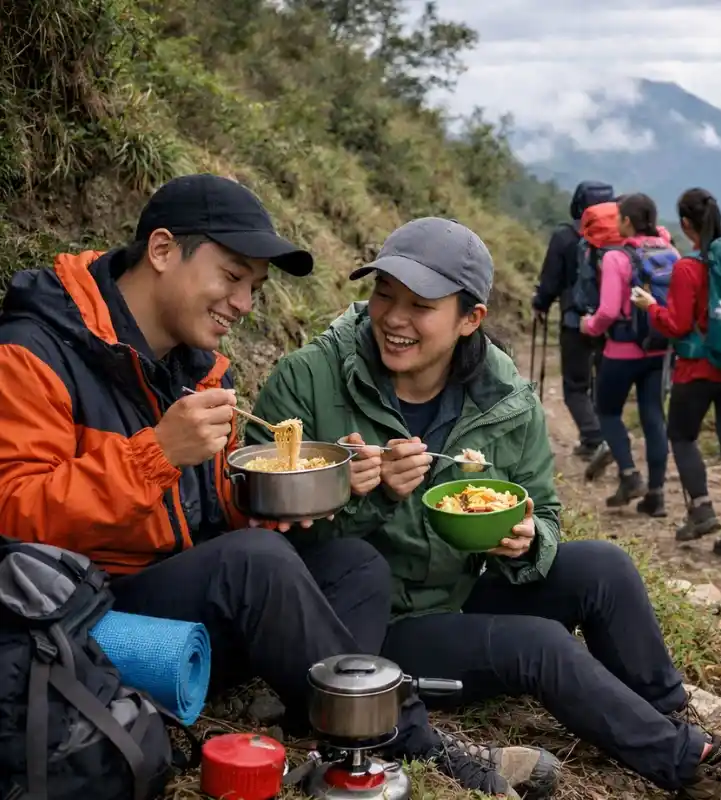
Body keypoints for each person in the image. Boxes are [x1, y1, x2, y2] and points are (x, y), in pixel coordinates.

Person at [0, 174, 546, 799]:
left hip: (182, 610)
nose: (243, 303)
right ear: (161, 250)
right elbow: (13, 517)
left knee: (354, 565)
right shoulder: (34, 353)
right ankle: (397, 737)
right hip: (79, 620)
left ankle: (318, 711)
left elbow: (211, 518)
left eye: (254, 288)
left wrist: (297, 489)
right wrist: (156, 456)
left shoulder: (194, 367)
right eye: (232, 277)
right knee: (255, 563)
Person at [249, 216, 721, 800]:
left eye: (420, 305)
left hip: (459, 591)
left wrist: (527, 540)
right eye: (383, 294)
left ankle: (669, 718)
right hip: (364, 628)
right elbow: (268, 544)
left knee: (604, 567)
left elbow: (541, 509)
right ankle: (689, 767)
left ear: (470, 320)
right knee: (541, 645)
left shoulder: (505, 399)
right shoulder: (310, 380)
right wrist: (361, 495)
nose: (394, 318)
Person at [631, 188, 721, 562]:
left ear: (685, 224)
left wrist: (651, 306)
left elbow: (677, 324)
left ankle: (701, 509)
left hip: (696, 370)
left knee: (682, 436)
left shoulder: (688, 268)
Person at [581, 194, 674, 513]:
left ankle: (630, 474)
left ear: (628, 222)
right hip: (659, 347)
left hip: (622, 349)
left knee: (606, 411)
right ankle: (657, 495)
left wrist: (589, 326)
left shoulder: (616, 258)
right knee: (653, 417)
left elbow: (607, 310)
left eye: (619, 217)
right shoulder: (669, 251)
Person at [532, 180, 614, 472]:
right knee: (602, 384)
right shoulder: (616, 237)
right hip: (610, 321)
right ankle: (607, 436)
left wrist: (540, 304)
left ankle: (594, 437)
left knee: (575, 386)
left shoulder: (565, 236)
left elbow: (551, 280)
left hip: (574, 322)